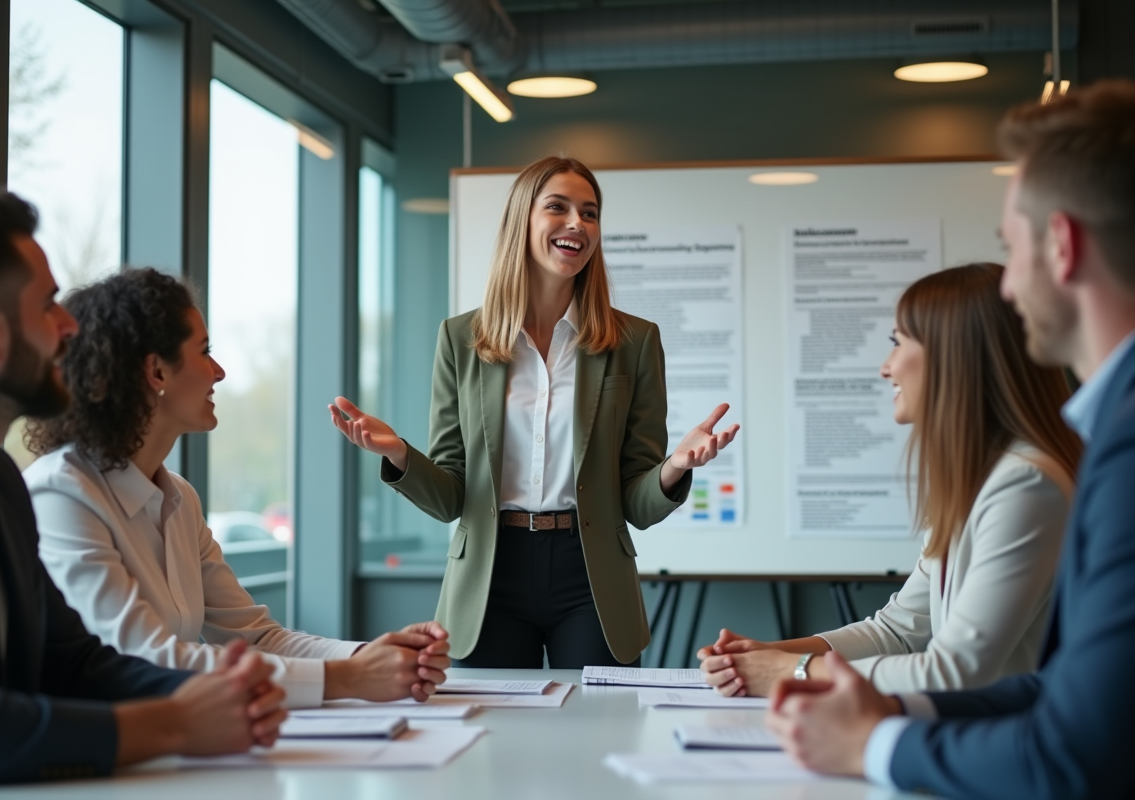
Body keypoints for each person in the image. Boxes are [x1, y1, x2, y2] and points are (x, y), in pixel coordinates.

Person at [765, 79, 1135, 800]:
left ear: (1060, 245)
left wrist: (870, 739)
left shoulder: (1091, 458)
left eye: (1011, 247)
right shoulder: (1102, 433)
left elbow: (1077, 751)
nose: (1004, 286)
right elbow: (1052, 690)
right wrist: (882, 707)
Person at [0, 187, 287, 795]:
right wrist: (178, 723)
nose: (69, 325)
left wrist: (220, 695)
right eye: (47, 305)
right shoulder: (47, 490)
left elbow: (71, 661)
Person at [330, 156, 739, 668]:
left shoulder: (634, 341)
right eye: (558, 208)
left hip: (590, 575)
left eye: (589, 213)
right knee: (491, 739)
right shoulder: (461, 339)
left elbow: (637, 505)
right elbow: (451, 498)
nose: (577, 224)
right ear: (522, 220)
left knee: (598, 735)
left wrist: (675, 467)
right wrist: (398, 456)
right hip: (490, 574)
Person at [23, 268, 450, 710]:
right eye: (204, 352)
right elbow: (143, 659)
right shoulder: (62, 495)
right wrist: (347, 677)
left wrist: (372, 656)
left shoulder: (179, 499)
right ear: (155, 371)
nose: (220, 372)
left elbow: (257, 637)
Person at [698, 263, 1081, 697]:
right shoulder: (983, 478)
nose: (885, 367)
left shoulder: (1026, 484)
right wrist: (766, 656)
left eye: (897, 342)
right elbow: (896, 632)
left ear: (955, 354)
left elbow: (956, 671)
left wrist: (792, 672)